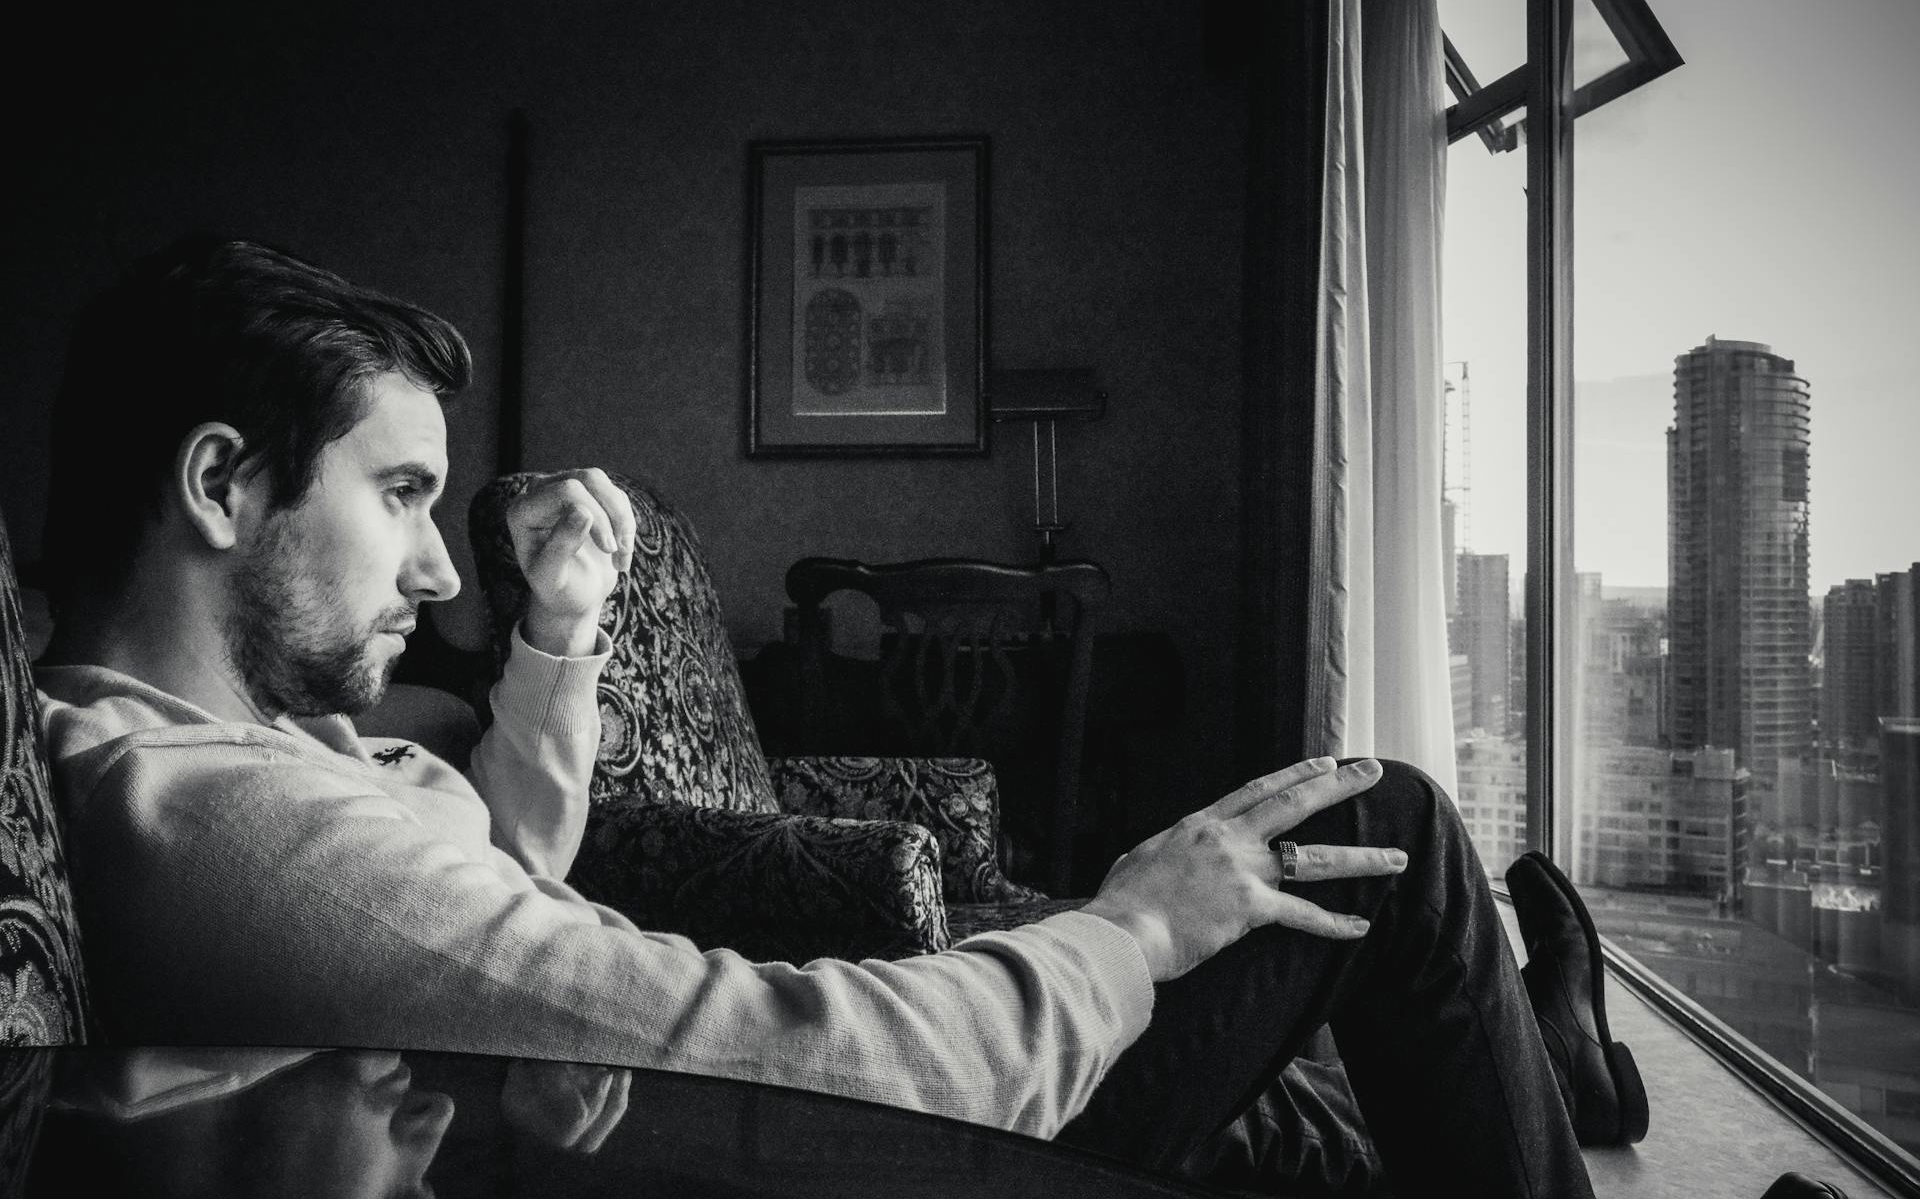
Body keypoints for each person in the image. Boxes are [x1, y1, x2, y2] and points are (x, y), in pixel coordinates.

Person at [34, 237, 1638, 1196]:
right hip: (853, 1148)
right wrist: (1129, 936)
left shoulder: (280, 747)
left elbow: (507, 862)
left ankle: (1536, 1072)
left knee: (1313, 1009)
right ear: (221, 484)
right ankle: (1532, 1067)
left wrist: (564, 626)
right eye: (399, 497)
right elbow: (763, 1061)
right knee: (1382, 831)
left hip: (794, 1113)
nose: (441, 561)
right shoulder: (220, 815)